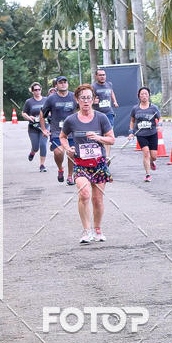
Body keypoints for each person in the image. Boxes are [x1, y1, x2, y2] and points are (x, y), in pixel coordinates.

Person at [60, 84, 115, 243]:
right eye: (82, 98)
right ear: (77, 100)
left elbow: (111, 139)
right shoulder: (71, 120)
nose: (86, 101)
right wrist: (67, 148)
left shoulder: (101, 118)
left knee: (97, 199)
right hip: (80, 163)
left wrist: (98, 138)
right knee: (84, 193)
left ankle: (98, 229)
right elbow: (63, 136)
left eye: (89, 98)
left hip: (99, 164)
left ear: (94, 100)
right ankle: (86, 231)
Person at [39, 76, 77, 184]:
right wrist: (43, 129)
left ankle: (70, 176)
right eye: (60, 83)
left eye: (65, 82)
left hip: (71, 131)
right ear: (56, 85)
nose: (63, 84)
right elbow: (42, 113)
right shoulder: (51, 98)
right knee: (58, 152)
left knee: (71, 153)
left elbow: (81, 108)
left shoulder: (74, 96)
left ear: (67, 84)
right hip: (56, 131)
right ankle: (60, 168)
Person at [128, 86, 161, 183]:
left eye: (146, 94)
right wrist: (131, 132)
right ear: (139, 96)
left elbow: (160, 118)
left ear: (149, 96)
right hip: (141, 134)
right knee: (146, 152)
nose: (144, 96)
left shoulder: (154, 108)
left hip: (152, 134)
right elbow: (132, 121)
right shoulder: (135, 109)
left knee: (154, 156)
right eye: (142, 94)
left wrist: (160, 125)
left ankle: (152, 161)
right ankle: (147, 174)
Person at [92, 67, 118, 161]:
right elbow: (89, 99)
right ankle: (100, 155)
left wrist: (115, 102)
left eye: (104, 75)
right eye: (100, 75)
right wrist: (93, 101)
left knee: (109, 135)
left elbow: (111, 92)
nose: (102, 77)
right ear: (96, 76)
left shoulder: (109, 84)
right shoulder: (93, 87)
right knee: (99, 136)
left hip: (109, 113)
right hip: (97, 114)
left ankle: (107, 157)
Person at [22, 82, 48, 172]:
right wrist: (29, 117)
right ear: (32, 91)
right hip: (33, 127)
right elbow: (23, 113)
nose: (37, 91)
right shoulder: (29, 102)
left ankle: (42, 165)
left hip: (44, 126)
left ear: (41, 90)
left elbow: (51, 111)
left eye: (39, 89)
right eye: (35, 90)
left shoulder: (46, 100)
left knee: (43, 144)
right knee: (36, 147)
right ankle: (33, 152)